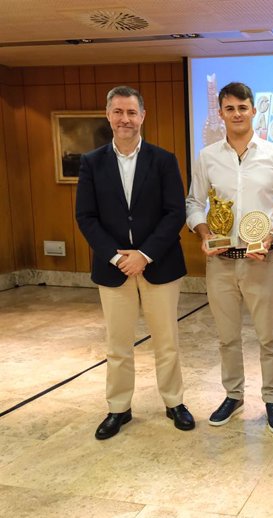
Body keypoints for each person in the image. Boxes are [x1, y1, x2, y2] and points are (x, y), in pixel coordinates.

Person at [76, 85, 194, 440]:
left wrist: (143, 255)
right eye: (118, 112)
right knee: (118, 344)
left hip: (159, 265)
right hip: (113, 270)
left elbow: (175, 213)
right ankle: (118, 409)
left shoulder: (163, 160)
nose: (124, 119)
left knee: (167, 341)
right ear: (108, 115)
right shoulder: (92, 162)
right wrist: (116, 256)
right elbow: (86, 216)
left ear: (143, 116)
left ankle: (174, 403)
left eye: (131, 112)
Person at [186, 82, 273, 434]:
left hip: (260, 261)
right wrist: (205, 234)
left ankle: (272, 399)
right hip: (220, 263)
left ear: (254, 111)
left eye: (243, 107)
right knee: (227, 337)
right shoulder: (207, 157)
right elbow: (194, 203)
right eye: (230, 108)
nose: (237, 113)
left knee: (269, 337)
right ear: (220, 113)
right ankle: (233, 395)